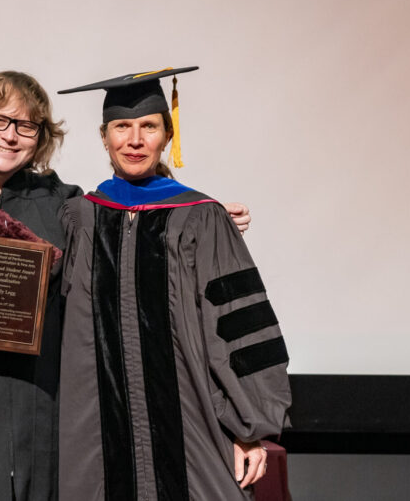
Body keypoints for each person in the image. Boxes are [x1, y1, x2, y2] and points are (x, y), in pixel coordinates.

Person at [0, 70, 252, 500]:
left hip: (42, 405)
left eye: (26, 126)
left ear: (41, 137)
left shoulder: (63, 204)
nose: (10, 136)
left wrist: (199, 220)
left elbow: (126, 241)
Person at [55, 67, 291, 500]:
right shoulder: (79, 218)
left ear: (167, 135)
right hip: (97, 435)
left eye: (148, 126)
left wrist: (249, 427)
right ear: (104, 137)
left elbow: (238, 328)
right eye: (121, 127)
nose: (135, 139)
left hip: (192, 425)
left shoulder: (201, 216)